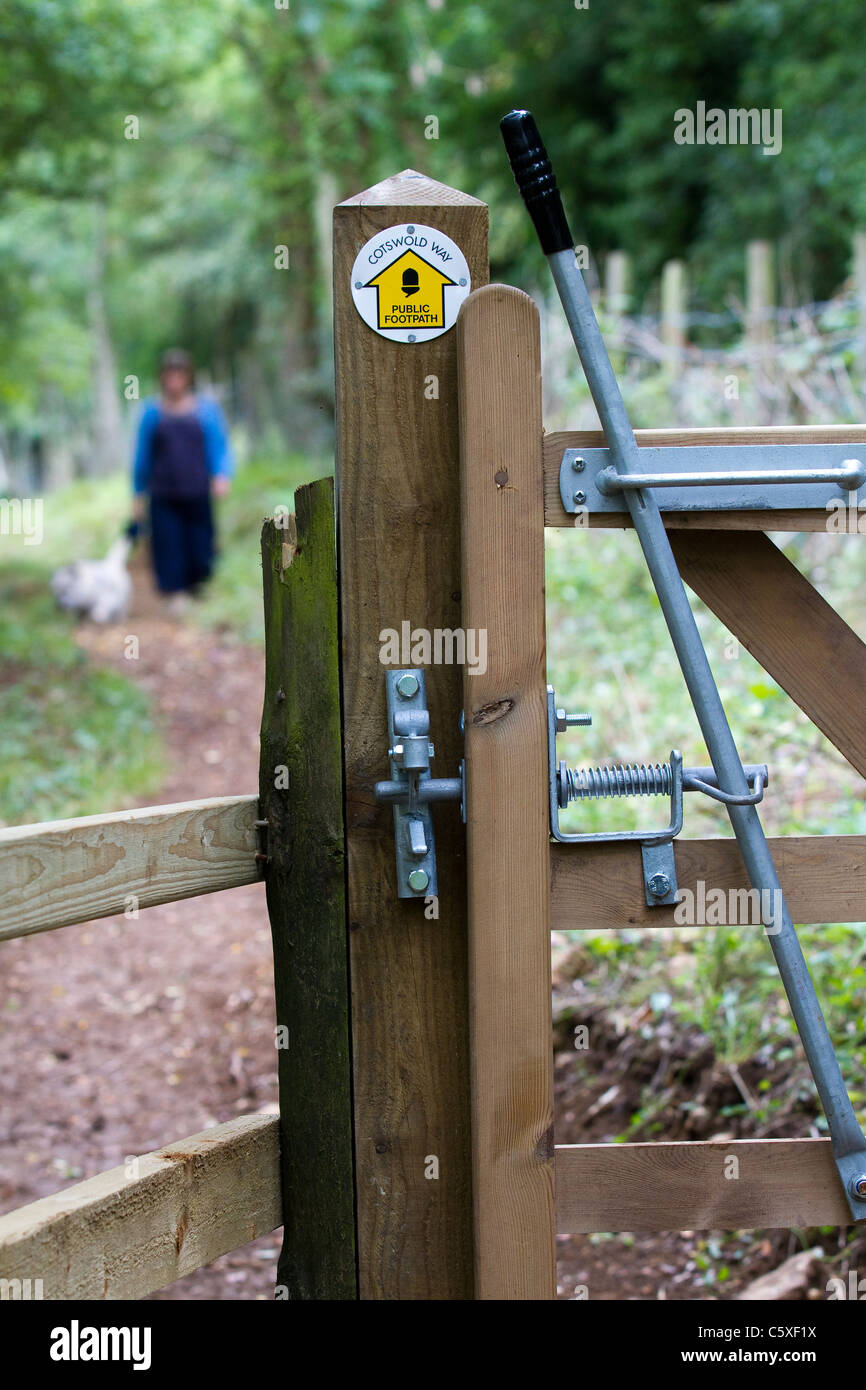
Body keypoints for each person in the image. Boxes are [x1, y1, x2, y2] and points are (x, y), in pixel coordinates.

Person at [132, 349, 233, 602]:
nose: (174, 379)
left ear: (188, 376)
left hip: (197, 490)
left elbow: (219, 446)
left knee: (200, 544)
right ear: (162, 377)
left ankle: (199, 589)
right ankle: (174, 594)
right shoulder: (151, 413)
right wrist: (137, 492)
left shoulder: (206, 410)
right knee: (168, 544)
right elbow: (142, 456)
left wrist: (221, 475)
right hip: (163, 493)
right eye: (169, 374)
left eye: (179, 373)